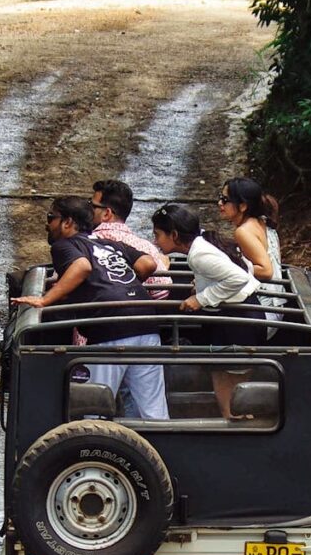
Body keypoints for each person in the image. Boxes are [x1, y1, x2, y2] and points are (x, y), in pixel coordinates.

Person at [12, 196, 169, 420]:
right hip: (146, 323)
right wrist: (121, 285)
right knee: (153, 409)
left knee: (94, 407)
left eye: (51, 218)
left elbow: (82, 266)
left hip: (109, 327)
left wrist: (45, 300)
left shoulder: (65, 245)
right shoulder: (110, 244)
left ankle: (90, 453)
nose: (48, 224)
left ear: (67, 222)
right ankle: (162, 452)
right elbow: (148, 263)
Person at [151, 202, 267, 419]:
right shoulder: (205, 241)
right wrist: (204, 285)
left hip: (237, 321)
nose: (155, 241)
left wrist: (202, 297)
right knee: (230, 384)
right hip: (241, 316)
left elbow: (239, 277)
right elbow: (243, 266)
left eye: (157, 234)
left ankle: (237, 435)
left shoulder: (199, 254)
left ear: (174, 234)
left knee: (230, 394)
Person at [218, 177, 285, 335]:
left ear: (242, 206)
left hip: (262, 311)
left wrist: (226, 270)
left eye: (225, 200)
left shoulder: (243, 231)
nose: (219, 203)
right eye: (219, 197)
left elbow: (266, 270)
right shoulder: (261, 221)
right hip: (275, 307)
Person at [91, 179, 171, 298]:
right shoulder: (147, 248)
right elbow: (161, 293)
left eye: (91, 206)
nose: (87, 210)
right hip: (140, 313)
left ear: (106, 213)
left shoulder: (83, 242)